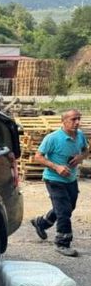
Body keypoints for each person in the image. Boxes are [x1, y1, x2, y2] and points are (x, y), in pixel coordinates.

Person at [30, 109, 88, 257]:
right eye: (73, 119)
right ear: (63, 121)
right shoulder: (53, 138)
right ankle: (62, 242)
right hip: (54, 179)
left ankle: (41, 223)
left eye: (78, 119)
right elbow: (38, 157)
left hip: (71, 179)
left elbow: (86, 150)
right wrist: (57, 167)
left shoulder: (80, 135)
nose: (77, 122)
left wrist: (80, 157)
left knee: (69, 207)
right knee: (64, 211)